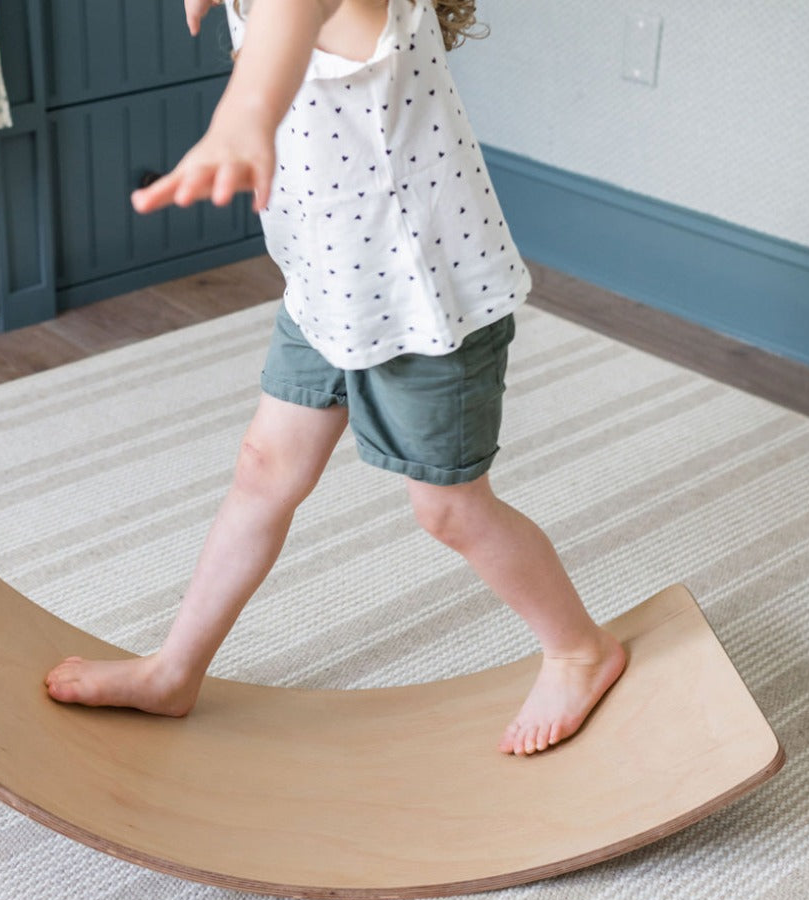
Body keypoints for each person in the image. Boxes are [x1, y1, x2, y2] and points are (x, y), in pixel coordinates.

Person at [45, 0, 627, 756]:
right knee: (263, 469)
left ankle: (579, 650)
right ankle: (173, 671)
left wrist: (243, 117)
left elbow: (296, 16)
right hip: (328, 289)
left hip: (425, 303)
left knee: (449, 510)